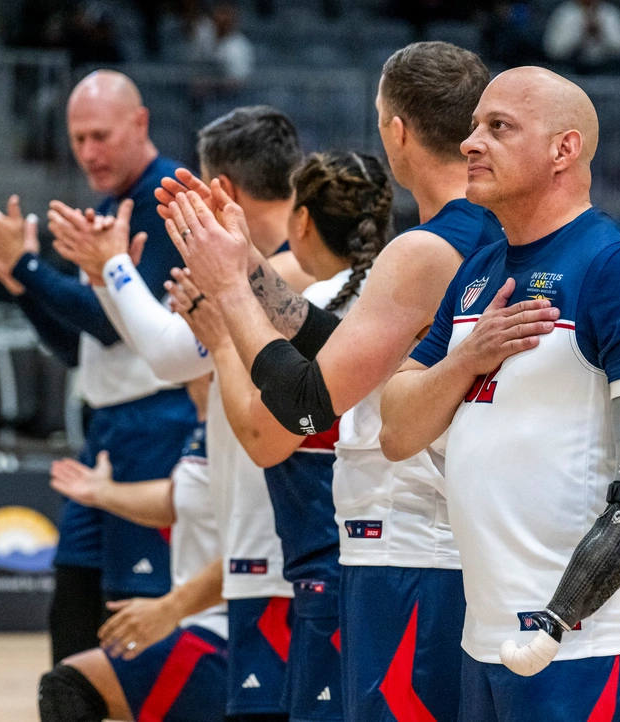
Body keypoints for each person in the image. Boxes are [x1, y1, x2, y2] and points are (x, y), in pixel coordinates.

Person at [156, 42, 544, 722]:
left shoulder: (424, 250)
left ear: (396, 130)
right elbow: (354, 356)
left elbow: (308, 406)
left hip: (411, 547)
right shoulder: (488, 233)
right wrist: (249, 265)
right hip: (456, 545)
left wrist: (228, 296)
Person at [379, 66, 620, 719]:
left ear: (564, 148)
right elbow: (397, 430)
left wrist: (564, 611)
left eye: (498, 128)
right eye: (473, 126)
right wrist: (469, 356)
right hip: (483, 635)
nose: (471, 142)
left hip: (581, 646)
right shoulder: (478, 272)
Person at [47, 105, 311, 721]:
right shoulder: (279, 273)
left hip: (271, 577)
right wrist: (107, 278)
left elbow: (171, 355)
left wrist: (114, 267)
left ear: (223, 191)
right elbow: (174, 349)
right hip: (256, 577)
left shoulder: (282, 276)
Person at [0, 70, 199, 665]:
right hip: (109, 427)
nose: (87, 151)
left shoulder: (164, 196)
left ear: (140, 123)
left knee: (129, 616)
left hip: (157, 424)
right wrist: (20, 280)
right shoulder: (110, 206)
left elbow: (114, 323)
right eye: (78, 138)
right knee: (72, 609)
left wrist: (30, 270)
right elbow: (78, 346)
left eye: (100, 135)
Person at [162, 150, 394, 722]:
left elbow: (264, 439)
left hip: (319, 564)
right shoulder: (395, 301)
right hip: (374, 561)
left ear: (303, 221)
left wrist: (220, 338)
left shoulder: (306, 308)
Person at [40, 376, 230, 722]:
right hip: (203, 618)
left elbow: (261, 547)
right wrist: (103, 493)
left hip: (238, 627)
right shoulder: (206, 412)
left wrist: (170, 609)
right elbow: (179, 497)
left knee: (70, 685)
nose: (177, 318)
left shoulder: (245, 411)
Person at [543, 0, 620, 74]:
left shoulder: (610, 13)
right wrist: (581, 34)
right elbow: (553, 50)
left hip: (606, 67)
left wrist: (600, 33)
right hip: (571, 67)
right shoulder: (565, 13)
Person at [190, 2, 254, 83]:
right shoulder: (203, 32)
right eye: (220, 12)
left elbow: (238, 82)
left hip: (227, 93)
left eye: (227, 14)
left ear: (235, 19)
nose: (222, 19)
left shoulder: (240, 47)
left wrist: (208, 85)